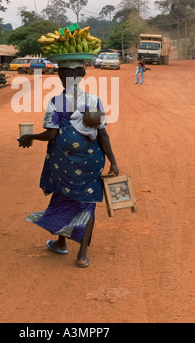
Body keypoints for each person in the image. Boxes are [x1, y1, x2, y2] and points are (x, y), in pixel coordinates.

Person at [18, 62, 119, 268]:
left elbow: (52, 134)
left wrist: (31, 136)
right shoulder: (93, 100)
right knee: (87, 203)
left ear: (61, 79)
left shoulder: (56, 102)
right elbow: (102, 133)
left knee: (63, 198)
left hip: (63, 163)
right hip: (91, 161)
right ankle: (81, 255)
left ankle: (62, 243)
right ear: (81, 78)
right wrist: (113, 162)